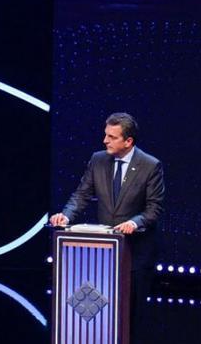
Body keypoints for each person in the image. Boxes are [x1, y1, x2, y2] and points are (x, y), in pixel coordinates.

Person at [50, 113, 164, 335]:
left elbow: (154, 209)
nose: (105, 141)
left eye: (112, 137)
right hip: (105, 257)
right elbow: (81, 194)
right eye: (106, 135)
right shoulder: (98, 159)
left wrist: (134, 222)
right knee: (103, 315)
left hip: (135, 255)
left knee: (131, 319)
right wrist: (66, 215)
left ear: (128, 141)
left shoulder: (150, 166)